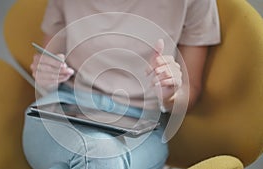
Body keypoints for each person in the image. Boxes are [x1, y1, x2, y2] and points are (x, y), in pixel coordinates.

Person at [23, 0, 221, 169]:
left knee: (102, 156)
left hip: (141, 124)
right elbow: (49, 58)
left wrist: (170, 94)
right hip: (65, 105)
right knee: (100, 156)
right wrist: (46, 74)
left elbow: (190, 91)